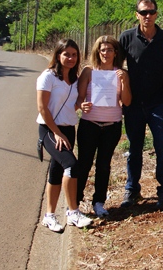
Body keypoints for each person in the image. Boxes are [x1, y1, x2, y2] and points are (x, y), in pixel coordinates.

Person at [118, 0, 163, 210]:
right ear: (137, 15)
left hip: (158, 102)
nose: (147, 16)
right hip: (133, 104)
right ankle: (132, 189)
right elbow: (112, 66)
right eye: (143, 13)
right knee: (134, 148)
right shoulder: (126, 38)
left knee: (162, 146)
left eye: (151, 12)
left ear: (157, 14)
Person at [36, 38, 92, 232]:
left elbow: (71, 105)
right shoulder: (48, 76)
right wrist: (57, 133)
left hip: (69, 128)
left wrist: (80, 106)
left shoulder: (74, 79)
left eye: (74, 54)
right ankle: (73, 212)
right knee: (71, 165)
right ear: (58, 55)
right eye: (66, 54)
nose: (70, 58)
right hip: (50, 129)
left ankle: (49, 216)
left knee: (56, 170)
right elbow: (43, 108)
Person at [76, 35, 132, 217]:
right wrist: (81, 105)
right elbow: (79, 98)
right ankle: (75, 203)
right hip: (89, 124)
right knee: (84, 164)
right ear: (97, 52)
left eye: (109, 50)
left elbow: (127, 101)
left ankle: (99, 202)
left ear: (116, 52)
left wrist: (124, 81)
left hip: (111, 125)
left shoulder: (121, 73)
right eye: (102, 50)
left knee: (104, 165)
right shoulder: (89, 71)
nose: (105, 53)